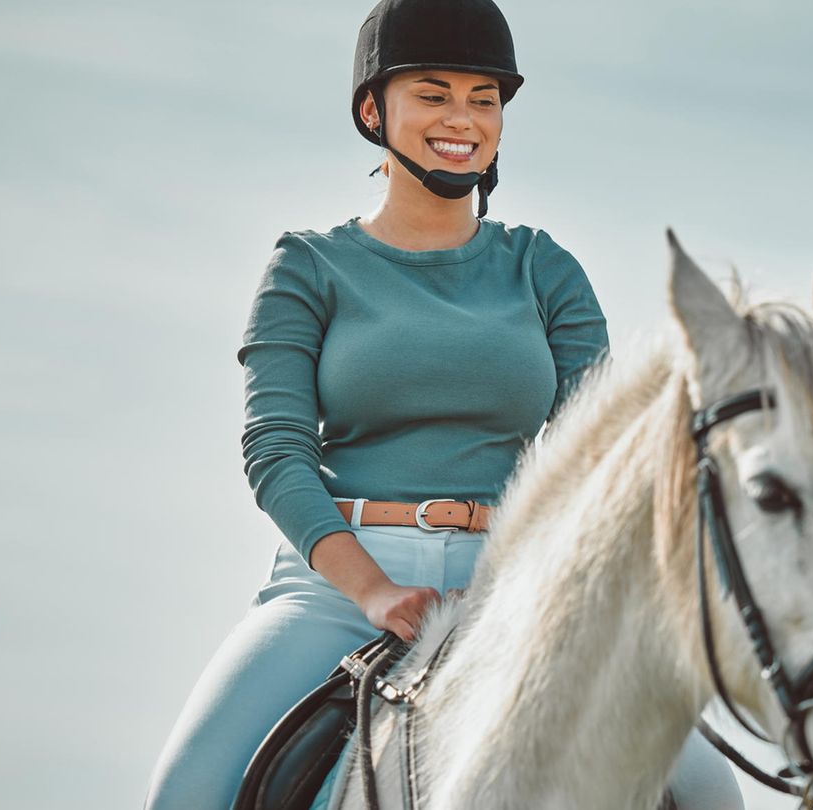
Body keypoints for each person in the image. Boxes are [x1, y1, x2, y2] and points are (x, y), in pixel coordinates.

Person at [144, 1, 740, 807]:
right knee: (183, 793)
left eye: (483, 98)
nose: (462, 118)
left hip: (514, 583)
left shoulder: (543, 268)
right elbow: (276, 455)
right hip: (340, 585)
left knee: (708, 789)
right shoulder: (307, 267)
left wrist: (539, 582)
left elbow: (601, 453)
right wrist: (373, 591)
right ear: (372, 110)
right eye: (432, 93)